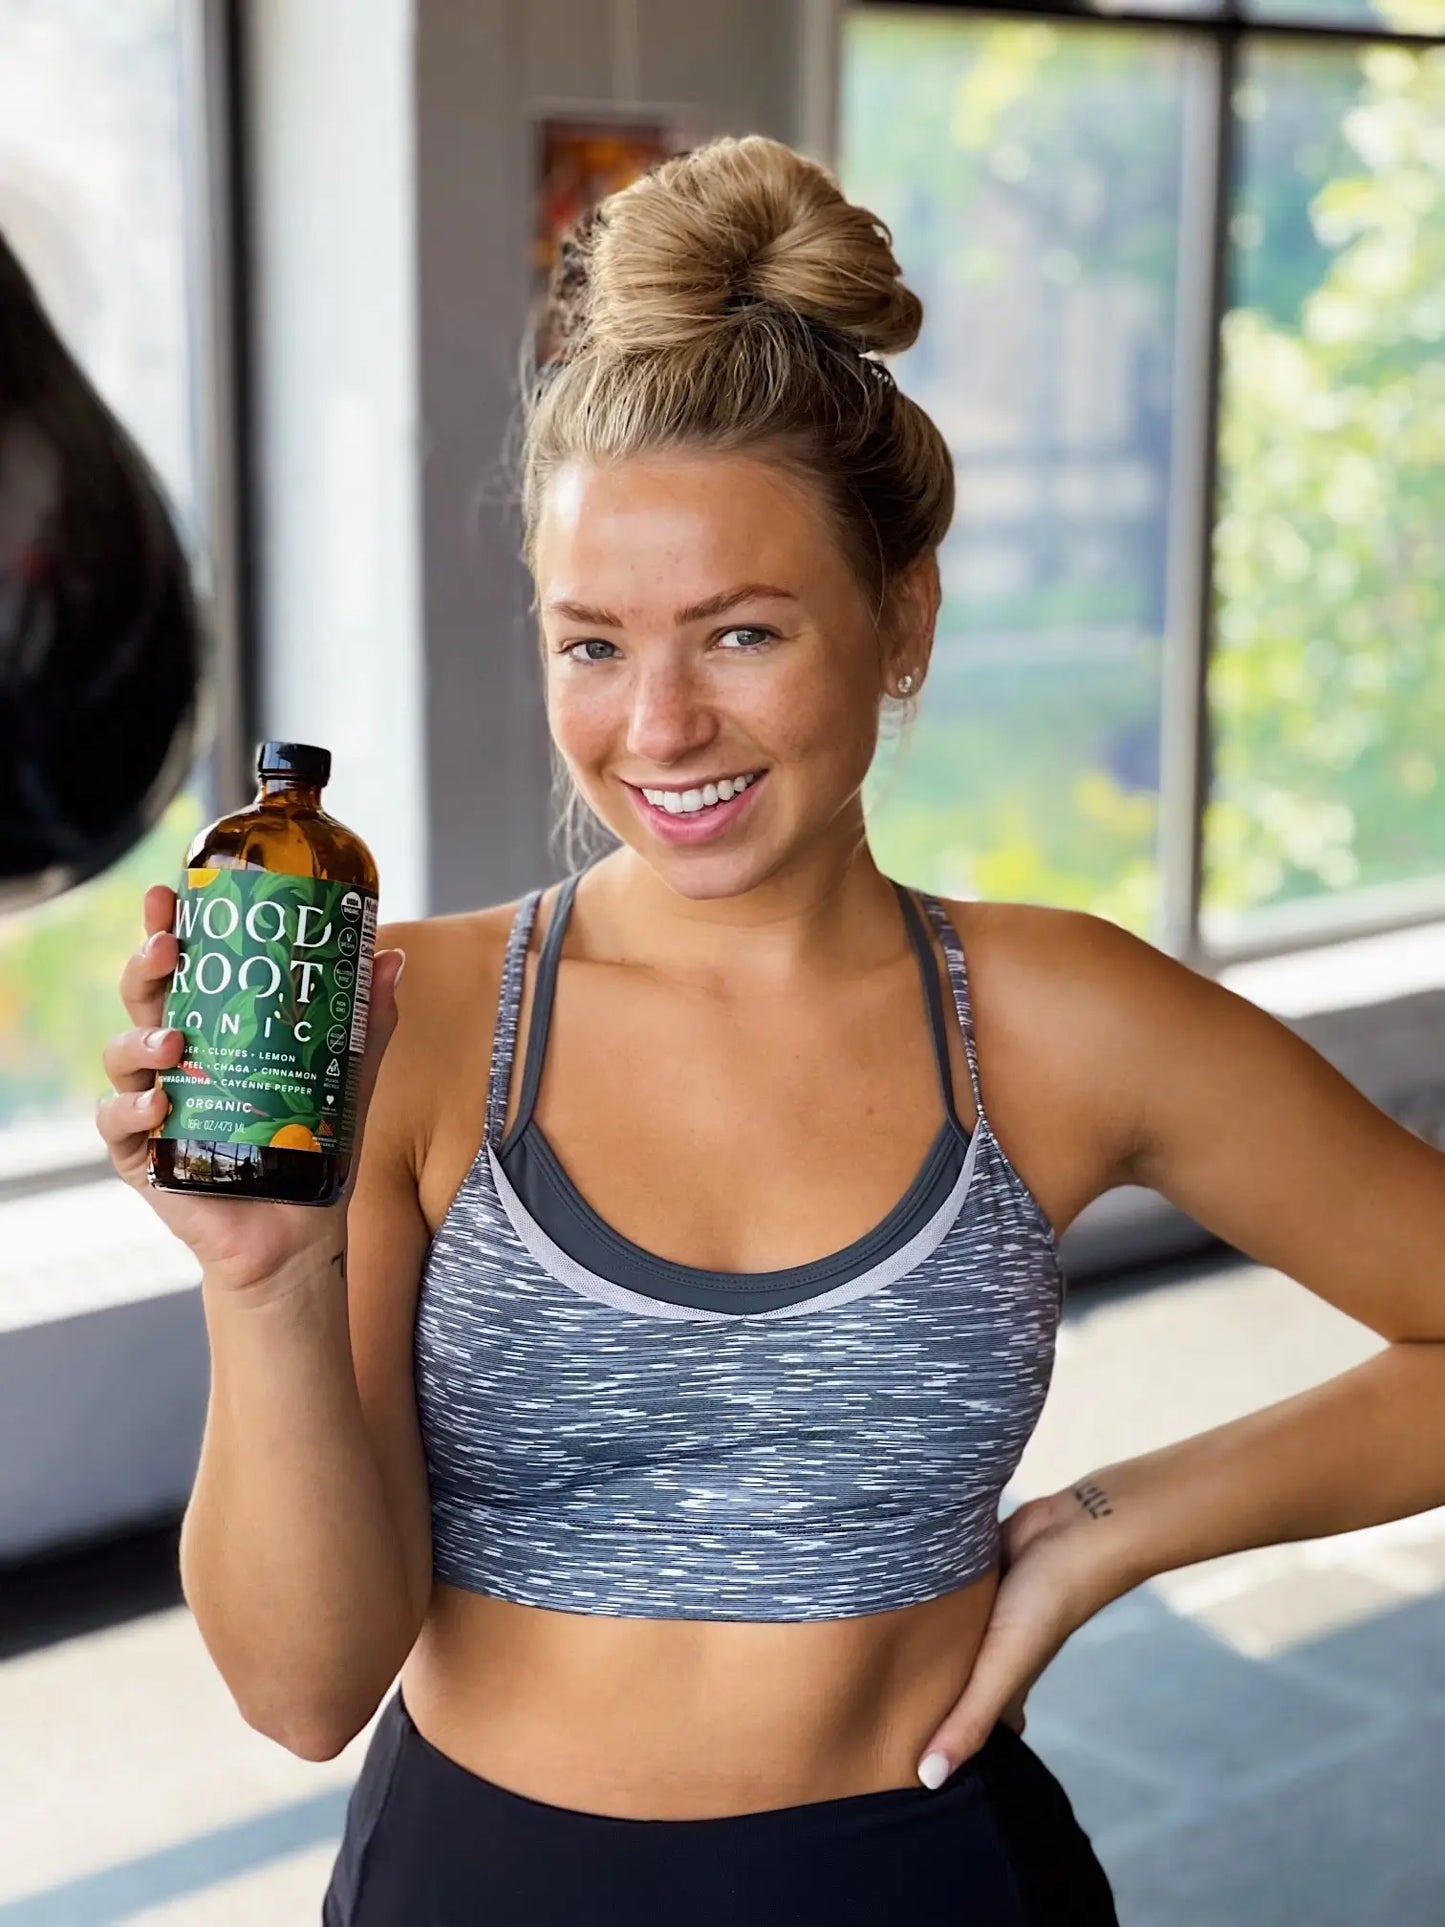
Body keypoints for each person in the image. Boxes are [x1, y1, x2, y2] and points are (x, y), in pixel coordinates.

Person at [96, 136, 1445, 1926]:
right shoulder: (414, 1029)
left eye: (739, 632)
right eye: (591, 645)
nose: (656, 727)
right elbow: (299, 1689)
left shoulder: (1055, 1019)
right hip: (479, 1882)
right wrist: (262, 1279)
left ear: (902, 617)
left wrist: (1100, 1540)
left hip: (922, 1877)